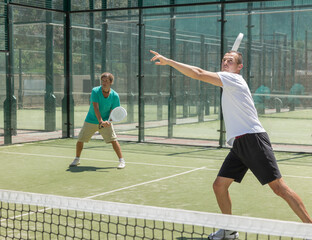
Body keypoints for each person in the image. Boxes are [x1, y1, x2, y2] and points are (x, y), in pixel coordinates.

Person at [150, 50, 312, 239]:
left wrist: (169, 61)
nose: (226, 63)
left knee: (279, 188)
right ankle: (229, 229)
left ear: (239, 67)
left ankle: (309, 227)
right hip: (239, 143)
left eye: (231, 61)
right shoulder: (227, 81)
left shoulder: (234, 80)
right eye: (224, 60)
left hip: (253, 139)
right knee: (219, 185)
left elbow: (199, 73)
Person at [69, 72, 126, 169]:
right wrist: (100, 121)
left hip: (105, 122)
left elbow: (114, 111)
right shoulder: (95, 91)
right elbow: (95, 107)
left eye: (106, 81)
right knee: (80, 139)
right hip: (91, 120)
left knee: (113, 140)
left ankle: (121, 161)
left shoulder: (115, 96)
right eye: (102, 81)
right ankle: (77, 159)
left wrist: (109, 121)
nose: (104, 83)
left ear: (111, 82)